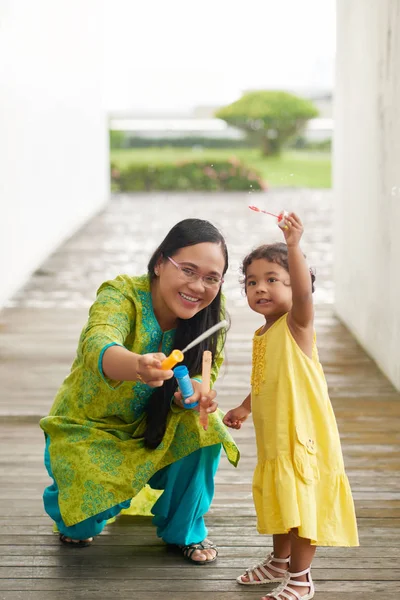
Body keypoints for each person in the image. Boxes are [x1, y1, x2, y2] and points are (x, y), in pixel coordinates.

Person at [40, 218, 239, 564]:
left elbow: (205, 374)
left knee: (206, 423)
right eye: (188, 270)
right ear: (161, 262)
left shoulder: (209, 318)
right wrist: (137, 366)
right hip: (90, 429)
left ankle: (185, 530)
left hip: (155, 429)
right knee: (79, 528)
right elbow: (97, 343)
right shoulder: (121, 294)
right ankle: (70, 497)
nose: (198, 287)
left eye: (211, 278)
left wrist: (193, 393)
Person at [223, 213, 358, 599]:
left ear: (295, 285)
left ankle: (300, 578)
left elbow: (302, 294)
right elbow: (267, 378)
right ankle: (279, 561)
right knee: (282, 498)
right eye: (252, 282)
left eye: (272, 280)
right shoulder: (263, 333)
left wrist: (294, 246)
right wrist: (246, 407)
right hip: (276, 437)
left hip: (303, 436)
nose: (260, 289)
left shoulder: (297, 324)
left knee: (300, 501)